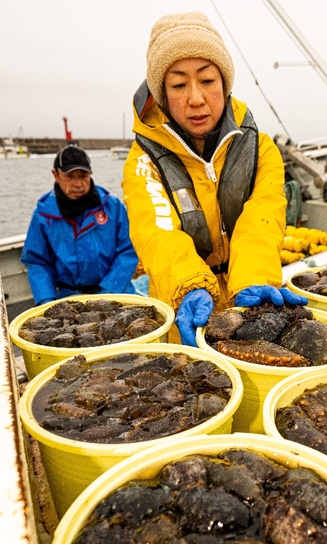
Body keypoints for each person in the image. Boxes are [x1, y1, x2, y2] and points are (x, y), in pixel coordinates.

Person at [122, 11, 307, 346]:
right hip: (183, 312)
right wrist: (188, 285)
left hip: (248, 303)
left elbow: (262, 220)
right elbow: (156, 232)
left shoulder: (261, 150)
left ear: (224, 83)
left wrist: (254, 278)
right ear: (162, 93)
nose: (196, 98)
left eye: (207, 80)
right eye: (179, 84)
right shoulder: (144, 161)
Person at [21, 145, 138, 306]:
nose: (78, 184)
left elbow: (128, 250)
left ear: (90, 174)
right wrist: (46, 301)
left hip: (117, 292)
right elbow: (38, 262)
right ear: (56, 175)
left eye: (83, 176)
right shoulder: (43, 215)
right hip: (69, 299)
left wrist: (109, 292)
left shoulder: (113, 207)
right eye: (70, 176)